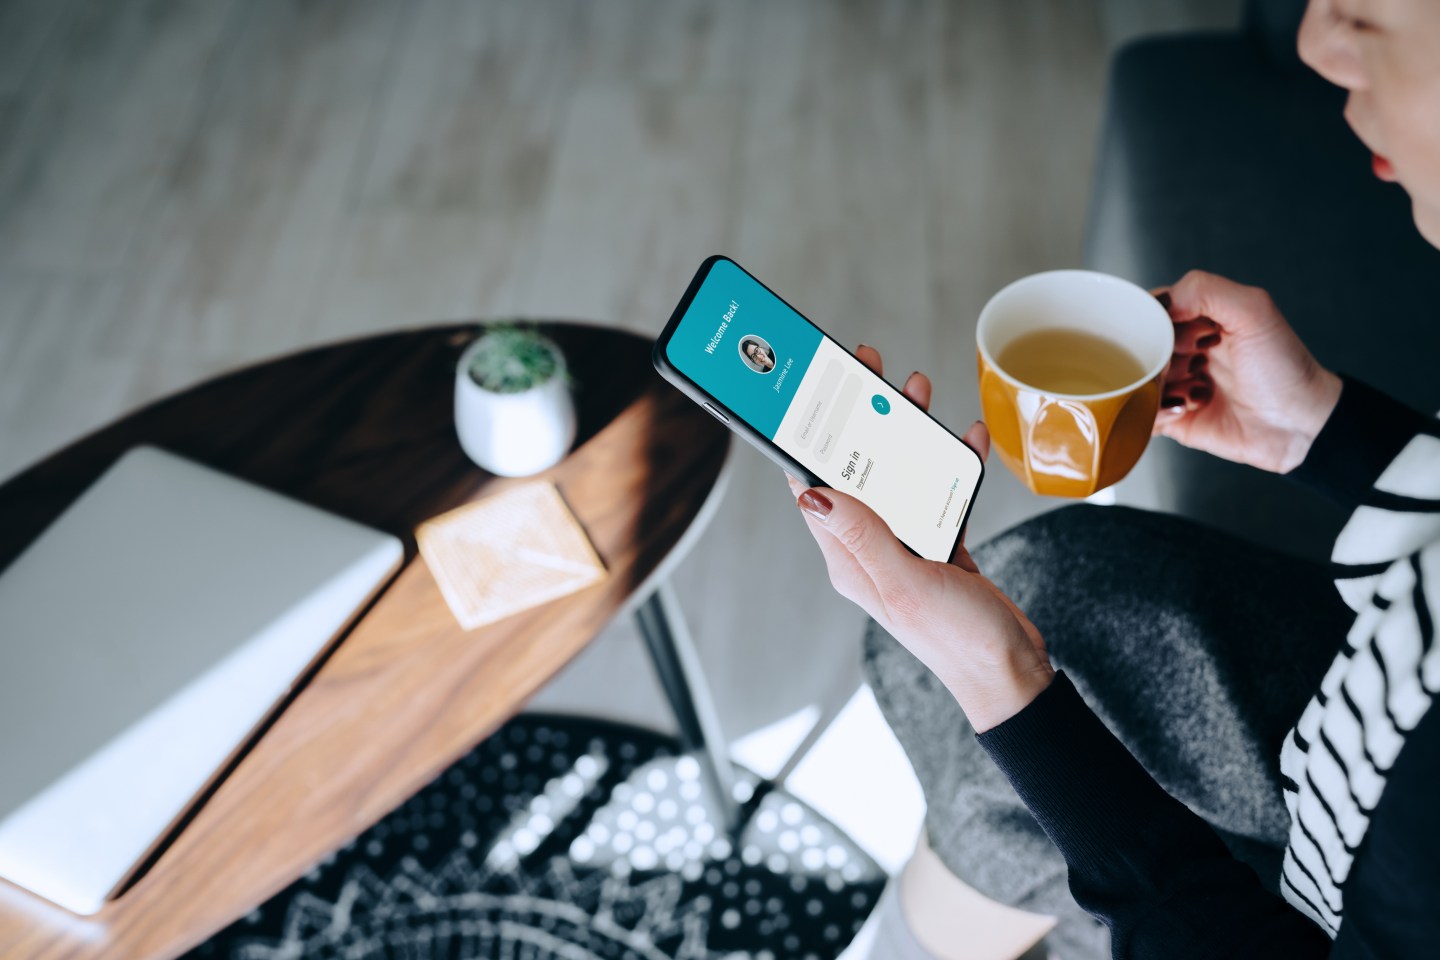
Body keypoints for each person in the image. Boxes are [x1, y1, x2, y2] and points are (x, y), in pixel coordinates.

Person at [790, 1, 1440, 956]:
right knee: (1059, 600)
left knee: (1016, 751)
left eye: (1378, 6)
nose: (1313, 41)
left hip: (1378, 825)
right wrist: (1321, 430)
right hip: (1385, 696)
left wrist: (1001, 679)